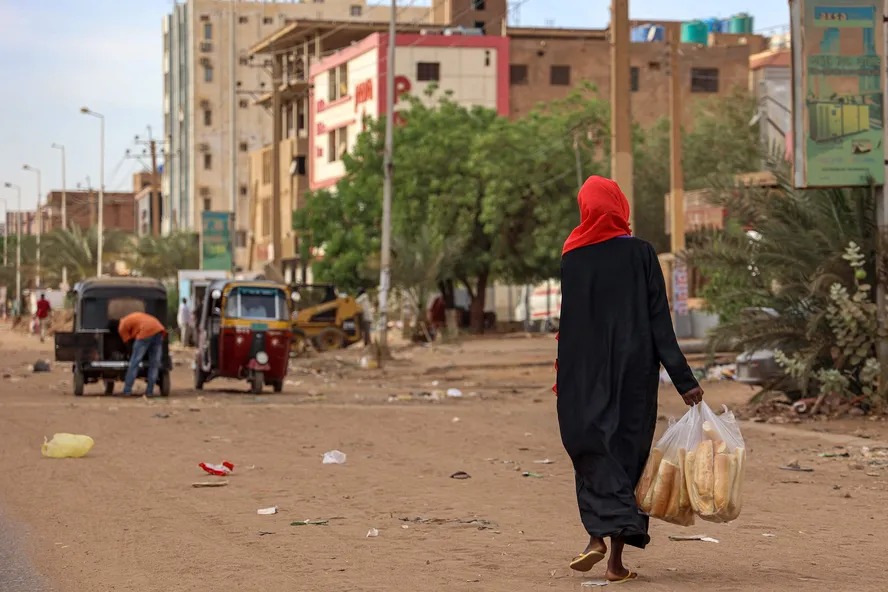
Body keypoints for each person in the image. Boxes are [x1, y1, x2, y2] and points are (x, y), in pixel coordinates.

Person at [555, 176, 703, 583]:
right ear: (619, 206)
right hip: (633, 374)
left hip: (581, 373)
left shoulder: (573, 257)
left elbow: (569, 325)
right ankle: (615, 562)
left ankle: (594, 538)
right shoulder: (640, 253)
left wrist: (563, 378)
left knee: (591, 452)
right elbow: (659, 321)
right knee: (627, 455)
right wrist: (683, 380)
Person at [113, 312, 166, 397]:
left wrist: (130, 354)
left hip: (145, 332)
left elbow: (128, 344)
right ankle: (149, 392)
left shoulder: (121, 326)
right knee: (154, 364)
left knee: (134, 362)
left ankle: (127, 390)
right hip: (158, 329)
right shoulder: (131, 317)